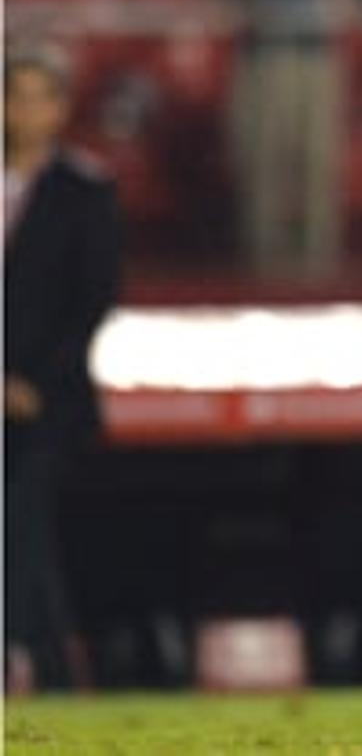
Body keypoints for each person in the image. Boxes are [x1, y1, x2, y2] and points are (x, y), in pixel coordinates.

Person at [4, 48, 123, 690]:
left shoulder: (85, 190)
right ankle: (53, 672)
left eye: (37, 97)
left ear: (60, 109)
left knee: (19, 520)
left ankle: (21, 656)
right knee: (24, 536)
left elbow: (91, 298)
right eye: (13, 96)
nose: (24, 111)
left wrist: (30, 381)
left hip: (47, 398)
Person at [213, 0, 362, 278]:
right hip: (265, 52)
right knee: (264, 161)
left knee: (317, 162)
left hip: (314, 53)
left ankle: (317, 266)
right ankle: (264, 265)